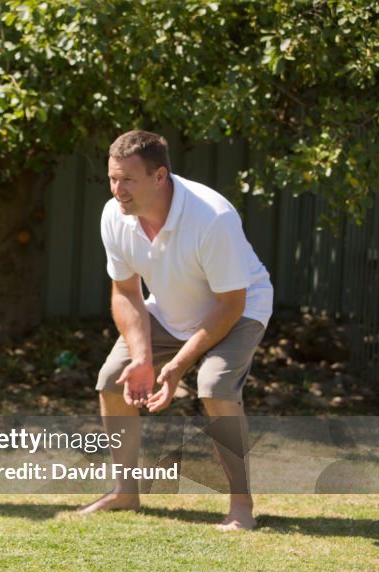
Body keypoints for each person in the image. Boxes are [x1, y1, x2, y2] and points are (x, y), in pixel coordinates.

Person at [79, 130, 273, 530]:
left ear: (160, 176)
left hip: (239, 306)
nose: (118, 190)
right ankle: (125, 492)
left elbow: (230, 303)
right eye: (113, 179)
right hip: (170, 308)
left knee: (215, 385)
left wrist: (178, 366)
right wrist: (144, 358)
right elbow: (126, 292)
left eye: (128, 180)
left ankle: (241, 506)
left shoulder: (212, 217)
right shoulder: (115, 215)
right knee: (112, 380)